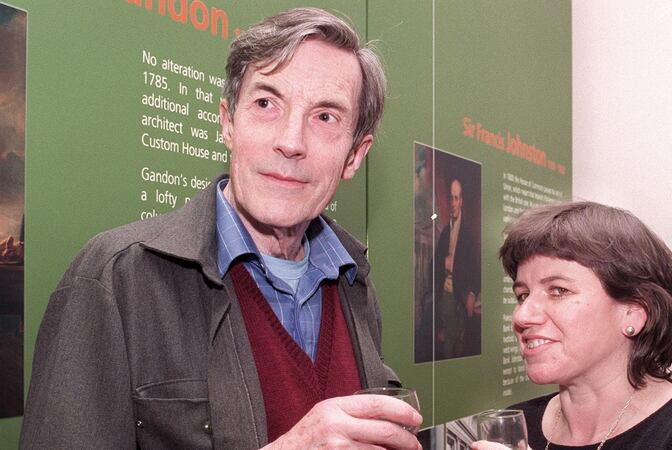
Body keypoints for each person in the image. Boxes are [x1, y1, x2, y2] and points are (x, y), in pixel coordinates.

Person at [21, 8, 422, 449]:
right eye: (267, 103)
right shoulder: (117, 279)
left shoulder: (354, 281)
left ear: (354, 155)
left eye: (325, 117)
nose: (291, 141)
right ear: (228, 122)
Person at [473, 201, 672, 449]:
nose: (522, 316)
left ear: (634, 313)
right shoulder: (519, 428)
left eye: (558, 290)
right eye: (522, 295)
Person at [434, 178, 480, 359]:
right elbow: (434, 265)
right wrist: (443, 263)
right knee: (447, 342)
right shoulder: (445, 232)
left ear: (461, 201)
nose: (452, 203)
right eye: (450, 198)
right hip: (445, 295)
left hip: (462, 296)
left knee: (460, 343)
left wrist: (471, 294)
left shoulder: (468, 235)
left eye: (456, 198)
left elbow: (476, 270)